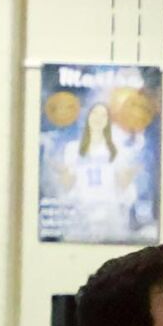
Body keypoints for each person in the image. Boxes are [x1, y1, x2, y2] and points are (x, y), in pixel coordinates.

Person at [59, 101, 133, 240]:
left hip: (110, 212)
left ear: (108, 122)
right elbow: (68, 187)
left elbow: (126, 187)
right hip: (82, 213)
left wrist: (122, 206)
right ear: (87, 117)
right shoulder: (72, 149)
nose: (98, 118)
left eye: (103, 115)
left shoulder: (117, 150)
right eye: (95, 113)